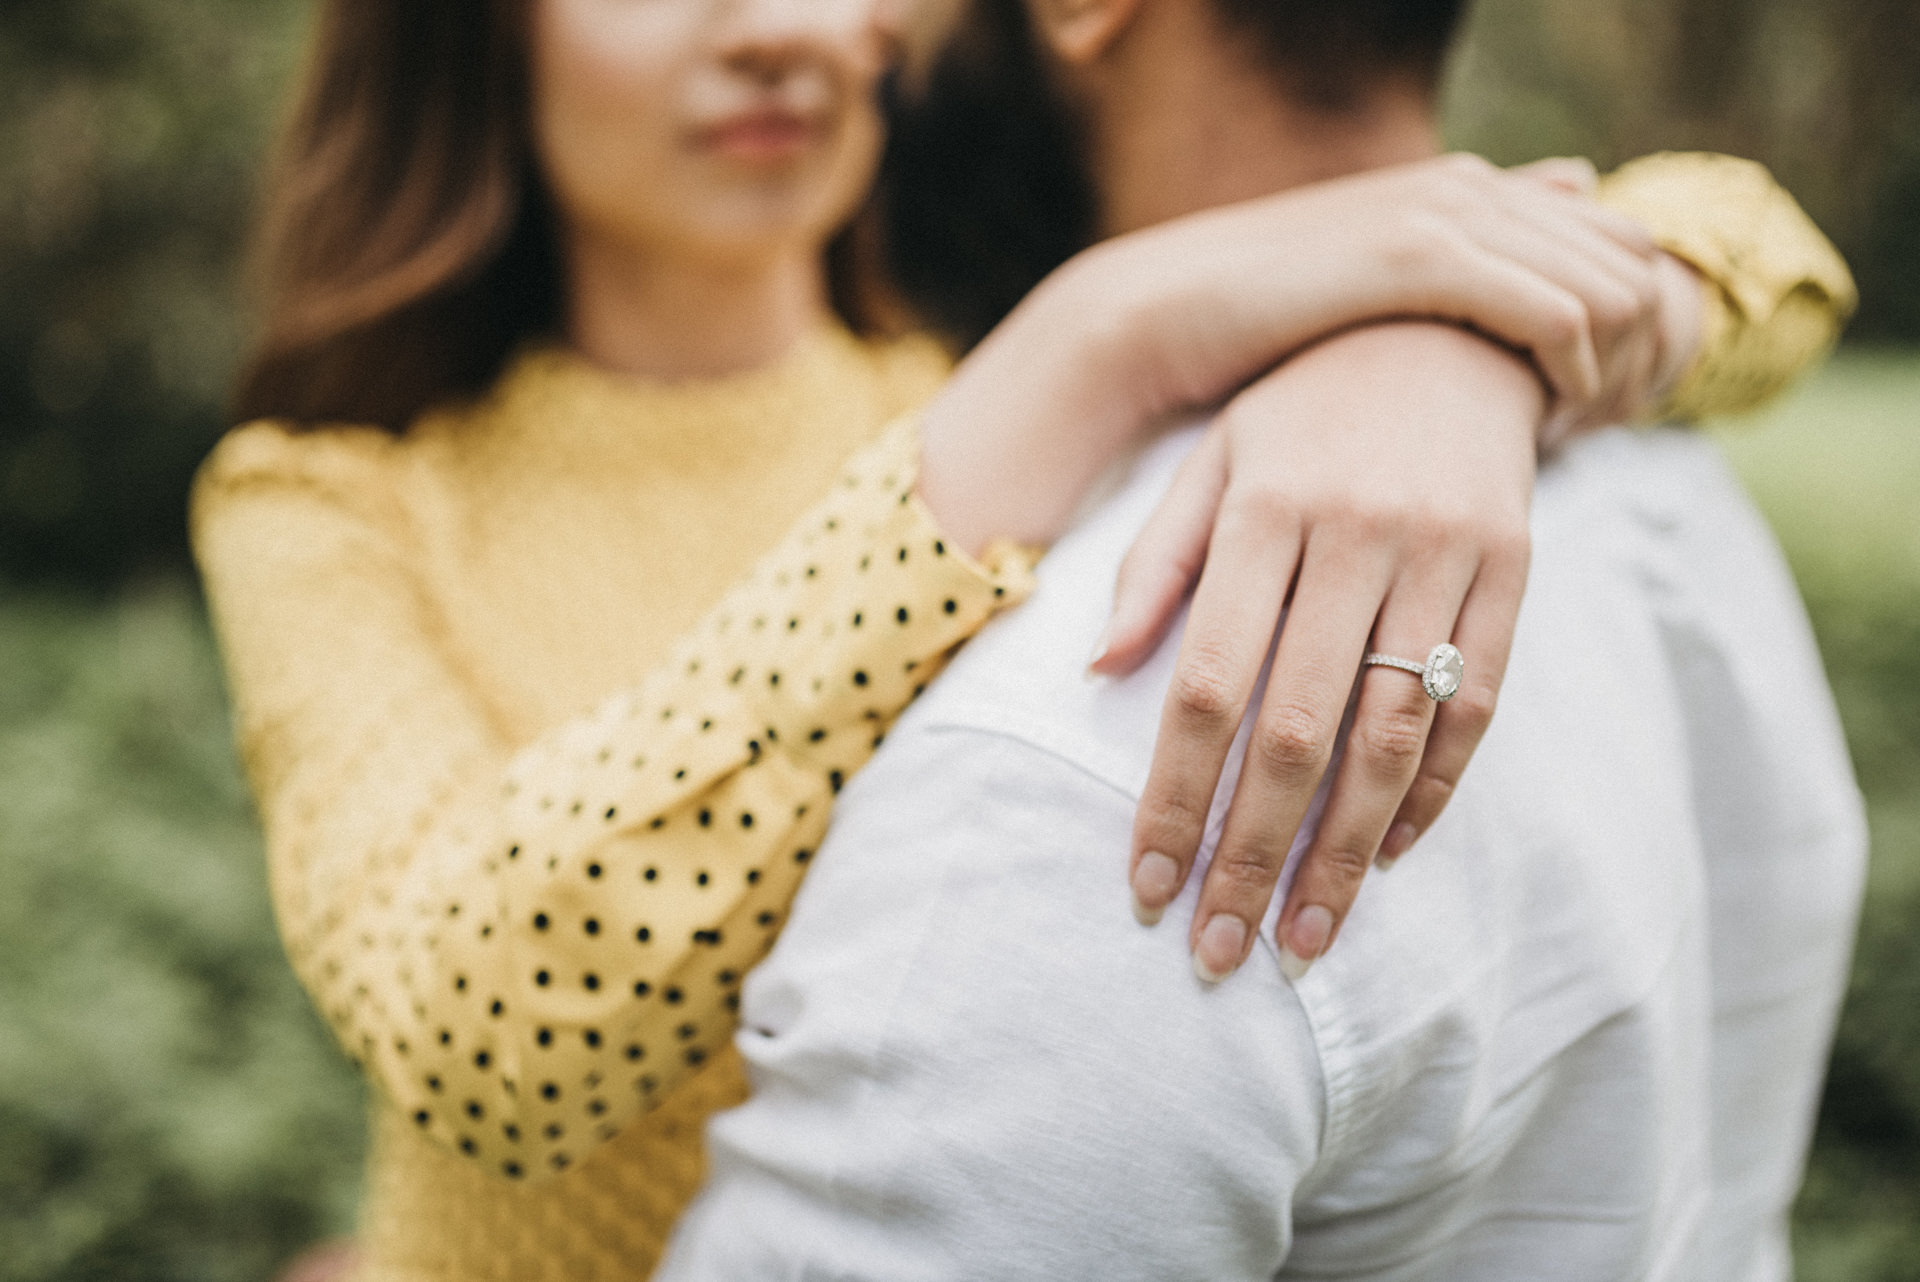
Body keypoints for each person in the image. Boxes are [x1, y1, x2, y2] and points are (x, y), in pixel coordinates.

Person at [193, 0, 1849, 1279]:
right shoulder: (321, 503)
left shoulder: (988, 402)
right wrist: (1096, 329)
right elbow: (481, 1026)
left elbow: (1764, 243)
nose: (776, 30)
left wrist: (1451, 353)